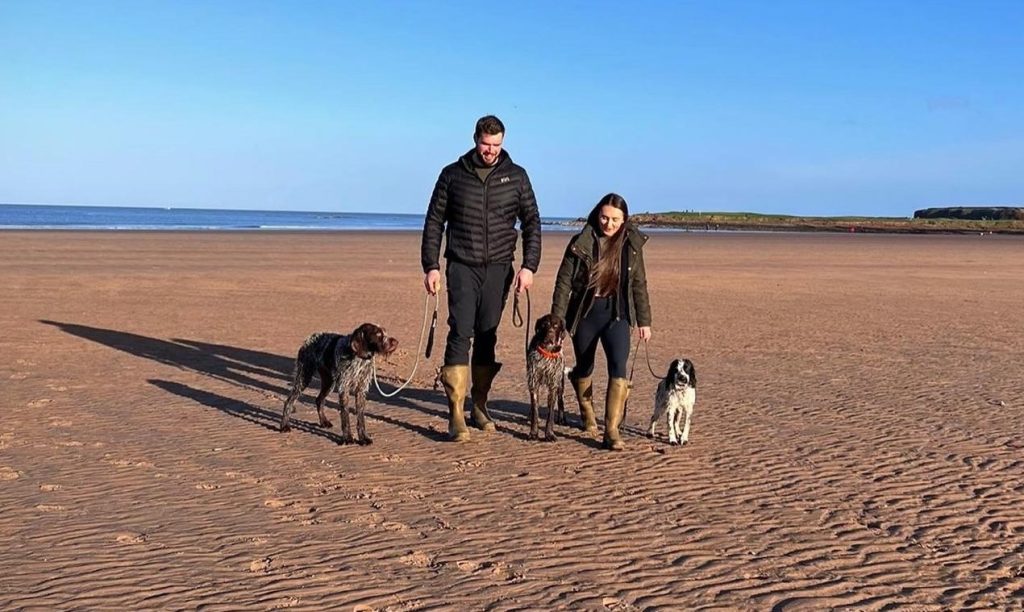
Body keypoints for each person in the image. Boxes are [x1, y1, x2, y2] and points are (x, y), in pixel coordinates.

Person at [421, 115, 542, 442]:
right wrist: (430, 265)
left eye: (497, 145)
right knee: (460, 332)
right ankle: (456, 413)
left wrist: (529, 266)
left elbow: (532, 222)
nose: (490, 150)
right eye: (486, 144)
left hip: (500, 267)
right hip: (461, 265)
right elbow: (434, 222)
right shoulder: (452, 175)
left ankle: (481, 405)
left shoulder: (517, 177)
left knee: (488, 334)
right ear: (475, 139)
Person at [551, 193, 651, 450]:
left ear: (625, 219)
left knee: (618, 365)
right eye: (605, 217)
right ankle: (587, 412)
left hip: (616, 312)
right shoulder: (581, 241)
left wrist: (644, 320)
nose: (609, 224)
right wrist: (558, 320)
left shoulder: (632, 244)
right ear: (597, 214)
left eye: (616, 219)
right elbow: (563, 283)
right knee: (584, 366)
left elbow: (639, 283)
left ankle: (612, 430)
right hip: (586, 312)